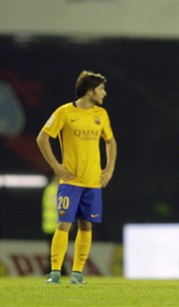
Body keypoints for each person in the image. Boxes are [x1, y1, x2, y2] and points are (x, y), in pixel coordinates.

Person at [36, 70, 117, 284]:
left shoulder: (101, 114)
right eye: (101, 89)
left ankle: (77, 273)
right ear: (90, 91)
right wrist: (55, 165)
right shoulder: (64, 112)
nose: (104, 93)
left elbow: (110, 142)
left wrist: (108, 170)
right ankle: (55, 272)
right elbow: (42, 138)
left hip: (93, 183)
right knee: (64, 224)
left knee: (86, 226)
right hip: (70, 182)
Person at [42, 175, 68, 276]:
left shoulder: (48, 189)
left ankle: (55, 270)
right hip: (56, 225)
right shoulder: (56, 190)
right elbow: (60, 207)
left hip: (49, 225)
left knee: (54, 249)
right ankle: (55, 270)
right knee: (58, 249)